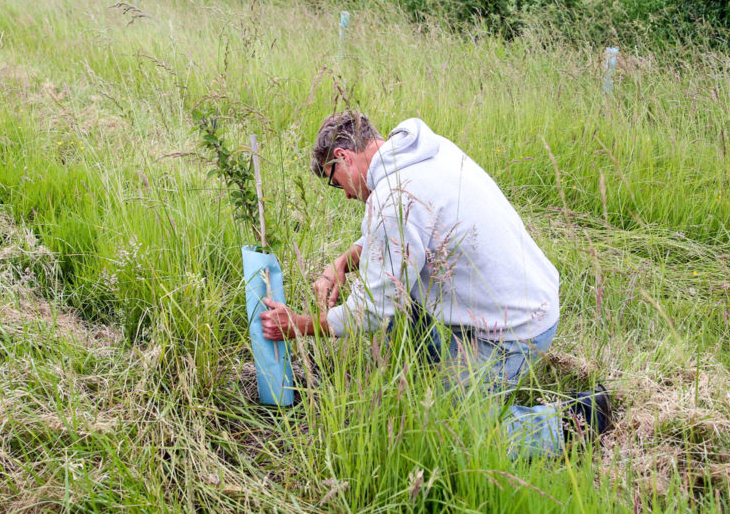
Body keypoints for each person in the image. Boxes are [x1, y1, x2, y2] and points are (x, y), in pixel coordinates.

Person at [259, 112, 611, 457]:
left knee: (451, 431)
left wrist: (300, 326)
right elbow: (400, 233)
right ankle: (432, 371)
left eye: (336, 183)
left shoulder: (394, 196)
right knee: (404, 315)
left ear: (343, 157)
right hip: (527, 294)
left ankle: (577, 421)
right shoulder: (424, 150)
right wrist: (342, 262)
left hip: (512, 328)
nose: (347, 196)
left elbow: (370, 312)